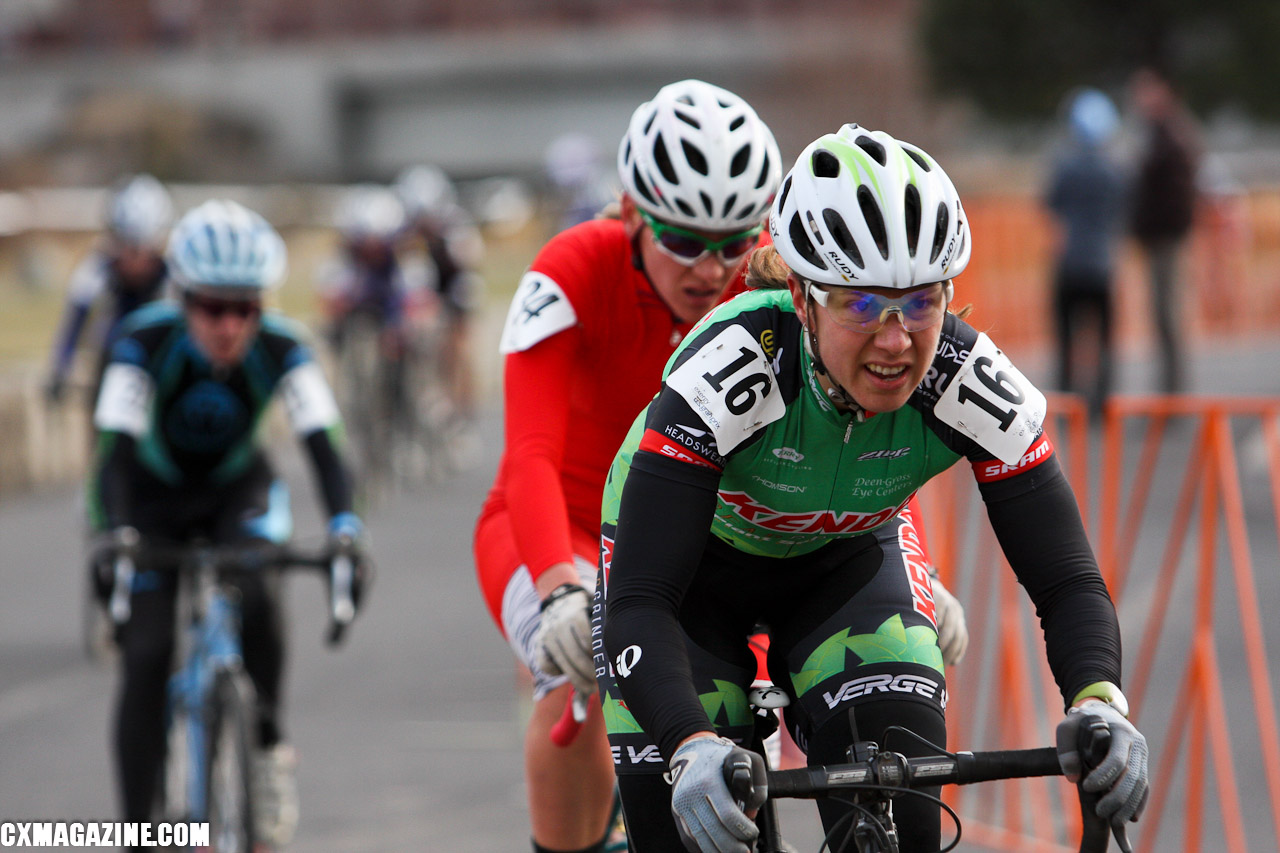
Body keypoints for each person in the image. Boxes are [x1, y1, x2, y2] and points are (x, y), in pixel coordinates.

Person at [596, 124, 1149, 852]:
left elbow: (1068, 578)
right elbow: (639, 599)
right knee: (692, 827)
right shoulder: (733, 370)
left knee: (901, 809)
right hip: (687, 583)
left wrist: (1099, 698)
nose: (896, 340)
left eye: (922, 302)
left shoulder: (964, 377)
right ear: (801, 296)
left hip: (841, 567)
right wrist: (689, 740)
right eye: (861, 305)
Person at [475, 79, 971, 853]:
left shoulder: (777, 283)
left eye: (733, 240)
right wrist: (559, 587)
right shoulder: (573, 266)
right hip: (560, 525)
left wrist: (912, 567)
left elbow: (854, 439)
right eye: (682, 239)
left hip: (707, 536)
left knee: (737, 726)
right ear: (632, 213)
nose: (711, 268)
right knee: (576, 673)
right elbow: (529, 454)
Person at [89, 199, 368, 849]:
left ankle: (267, 748)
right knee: (147, 654)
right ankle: (137, 830)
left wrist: (347, 527)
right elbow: (111, 460)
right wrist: (115, 534)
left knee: (263, 590)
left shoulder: (285, 347)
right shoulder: (140, 342)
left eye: (246, 307)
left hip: (235, 493)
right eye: (213, 307)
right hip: (151, 499)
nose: (230, 325)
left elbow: (326, 449)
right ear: (182, 298)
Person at [45, 173, 174, 405]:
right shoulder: (97, 267)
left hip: (160, 368)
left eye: (142, 249)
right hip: (112, 363)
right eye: (126, 246)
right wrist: (60, 370)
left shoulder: (172, 273)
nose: (134, 260)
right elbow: (74, 324)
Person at [1045, 87, 1129, 417]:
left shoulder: (1066, 167)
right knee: (1105, 338)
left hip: (1069, 262)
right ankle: (1103, 401)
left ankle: (1069, 401)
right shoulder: (1115, 170)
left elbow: (1051, 207)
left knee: (1066, 336)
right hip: (1103, 263)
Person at [394, 165, 486, 432]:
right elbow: (408, 274)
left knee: (460, 337)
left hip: (455, 282)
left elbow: (468, 264)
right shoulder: (405, 232)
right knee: (413, 321)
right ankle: (419, 386)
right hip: (428, 283)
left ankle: (462, 401)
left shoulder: (455, 225)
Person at [1128, 67, 1201, 394]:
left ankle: (1174, 393)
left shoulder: (1171, 136)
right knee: (1161, 316)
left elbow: (1178, 196)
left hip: (1167, 239)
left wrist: (1158, 228)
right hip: (1160, 237)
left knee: (1168, 315)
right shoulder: (1160, 134)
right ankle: (1169, 389)